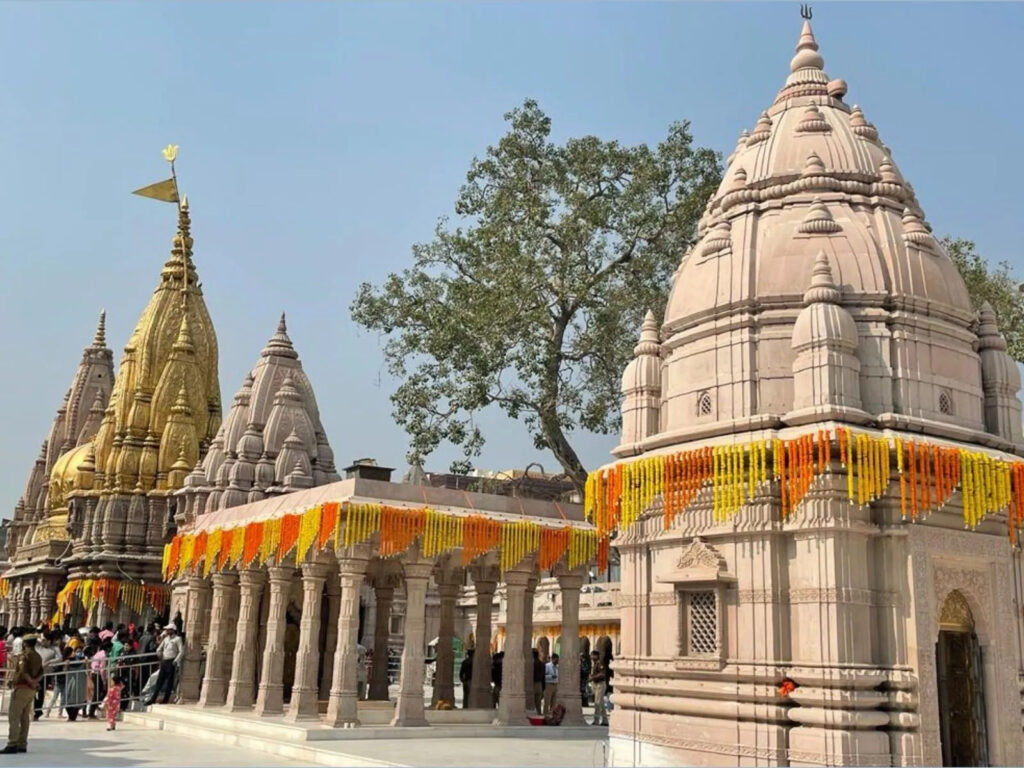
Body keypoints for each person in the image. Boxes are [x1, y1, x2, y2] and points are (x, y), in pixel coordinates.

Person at [2, 632, 43, 754]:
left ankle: (12, 743)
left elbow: (23, 671)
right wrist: (35, 682)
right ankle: (22, 743)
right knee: (25, 717)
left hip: (21, 688)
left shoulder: (24, 656)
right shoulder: (38, 656)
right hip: (31, 690)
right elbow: (41, 672)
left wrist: (30, 681)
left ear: (25, 644)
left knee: (14, 716)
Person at [147, 626, 184, 705]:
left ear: (173, 630)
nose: (167, 631)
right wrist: (160, 656)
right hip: (164, 660)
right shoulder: (166, 639)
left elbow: (181, 651)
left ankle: (166, 699)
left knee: (169, 681)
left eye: (169, 629)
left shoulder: (177, 639)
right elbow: (159, 649)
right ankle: (153, 698)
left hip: (172, 661)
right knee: (160, 680)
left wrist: (176, 660)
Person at [63, 646, 88, 722]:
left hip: (79, 684)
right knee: (67, 699)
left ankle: (73, 717)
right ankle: (71, 716)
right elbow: (65, 671)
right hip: (70, 683)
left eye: (80, 651)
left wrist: (87, 663)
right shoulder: (68, 661)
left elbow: (88, 670)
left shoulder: (82, 660)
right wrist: (66, 664)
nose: (77, 653)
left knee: (78, 699)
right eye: (76, 651)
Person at [588, 651, 607, 726]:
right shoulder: (594, 664)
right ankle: (605, 721)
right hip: (596, 684)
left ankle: (596, 720)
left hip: (600, 684)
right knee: (601, 704)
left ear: (597, 656)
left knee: (597, 703)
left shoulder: (600, 663)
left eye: (593, 656)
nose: (591, 657)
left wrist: (593, 677)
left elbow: (602, 674)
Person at [531, 649, 545, 714]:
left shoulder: (531, 664)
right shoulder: (542, 663)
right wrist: (543, 687)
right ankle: (539, 714)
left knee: (532, 701)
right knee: (538, 702)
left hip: (532, 684)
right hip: (539, 684)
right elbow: (543, 676)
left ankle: (532, 714)